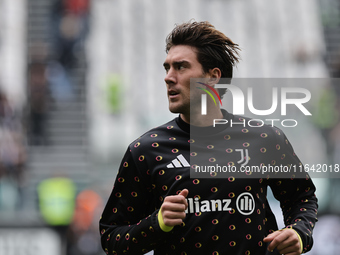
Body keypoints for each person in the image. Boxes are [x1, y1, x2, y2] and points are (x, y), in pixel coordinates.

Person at [99, 21, 318, 255]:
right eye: (167, 68)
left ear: (213, 77)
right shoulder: (145, 150)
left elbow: (302, 198)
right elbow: (112, 238)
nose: (168, 77)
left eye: (181, 67)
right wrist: (157, 223)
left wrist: (298, 233)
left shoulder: (264, 138)